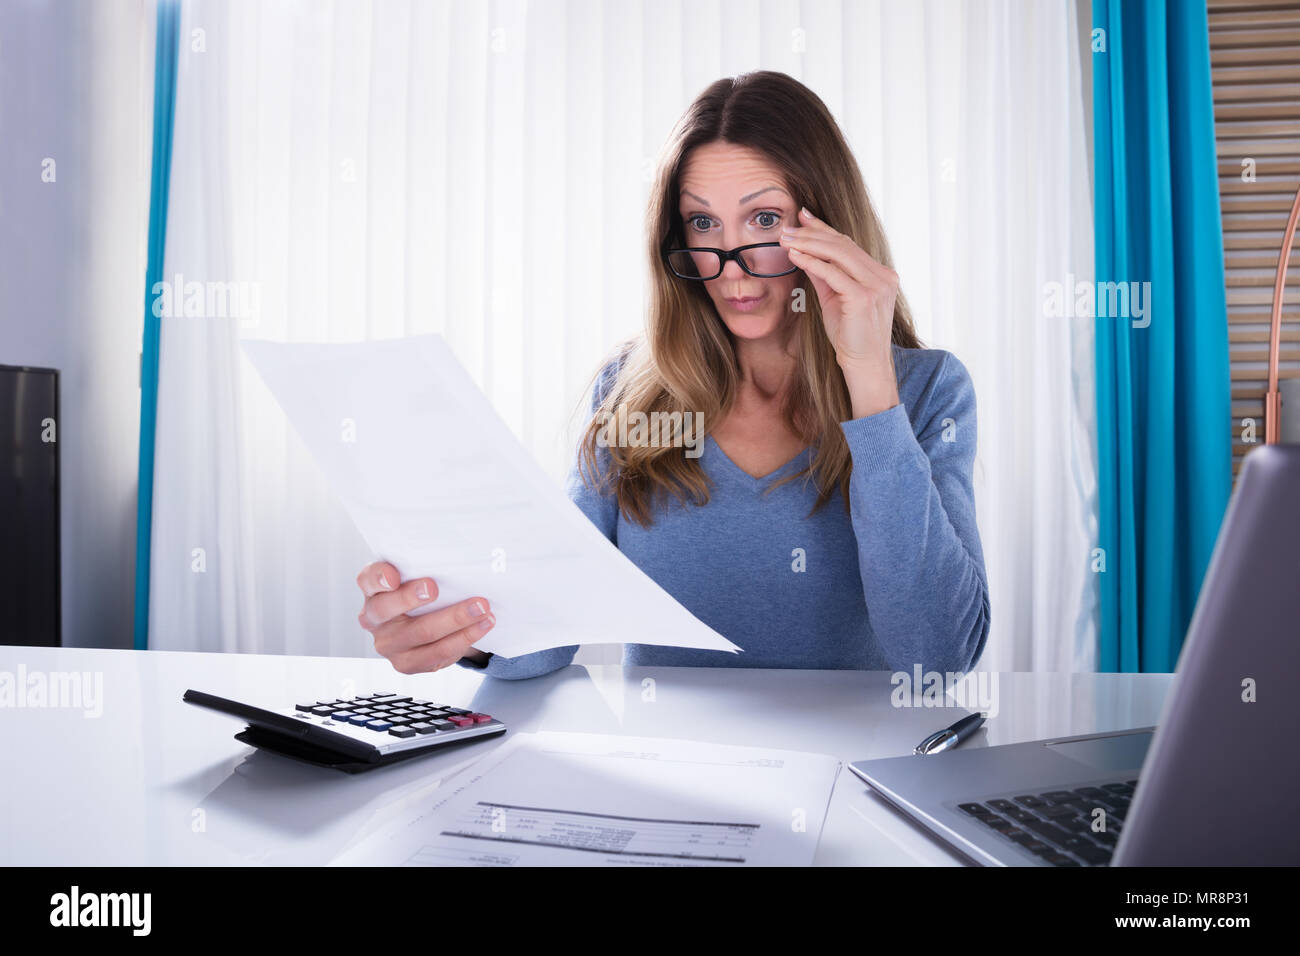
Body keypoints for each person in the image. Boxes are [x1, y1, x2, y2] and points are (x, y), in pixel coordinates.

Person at [355, 70, 989, 680]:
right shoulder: (630, 391)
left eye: (764, 221)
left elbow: (935, 656)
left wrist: (870, 381)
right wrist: (457, 628)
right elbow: (544, 639)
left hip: (853, 775)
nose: (730, 270)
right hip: (677, 772)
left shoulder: (928, 391)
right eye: (703, 223)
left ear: (827, 226)